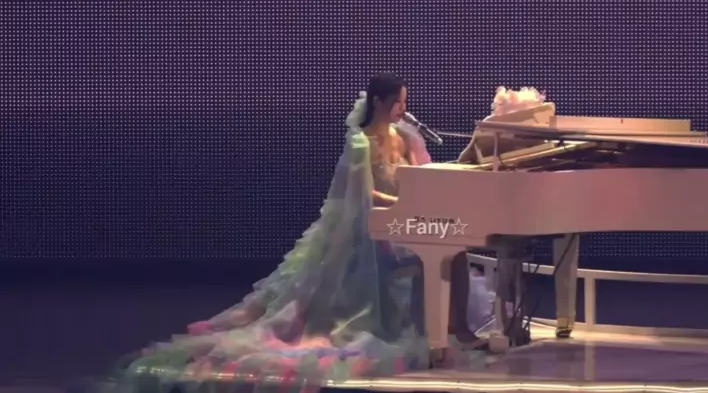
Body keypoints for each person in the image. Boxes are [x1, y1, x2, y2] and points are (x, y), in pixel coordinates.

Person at [115, 73, 490, 391]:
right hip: (374, 225)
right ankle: (436, 331)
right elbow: (363, 195)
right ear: (379, 102)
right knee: (431, 256)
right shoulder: (361, 143)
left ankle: (457, 328)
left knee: (454, 250)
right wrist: (400, 201)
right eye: (397, 102)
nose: (403, 109)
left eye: (405, 102)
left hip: (404, 217)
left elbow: (421, 175)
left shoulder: (406, 137)